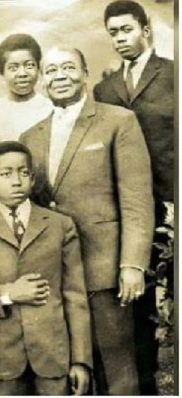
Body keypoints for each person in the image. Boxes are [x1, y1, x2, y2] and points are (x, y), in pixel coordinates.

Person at [20, 46, 155, 395]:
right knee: (70, 373)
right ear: (41, 80)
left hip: (105, 270)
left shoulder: (118, 121)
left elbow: (137, 199)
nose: (59, 76)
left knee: (118, 373)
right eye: (51, 70)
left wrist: (132, 264)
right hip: (55, 274)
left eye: (68, 68)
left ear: (85, 73)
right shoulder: (29, 137)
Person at [0, 141, 92, 396]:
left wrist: (80, 361)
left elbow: (76, 297)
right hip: (1, 359)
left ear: (32, 179)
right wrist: (8, 294)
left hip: (53, 354)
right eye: (6, 174)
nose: (16, 181)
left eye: (24, 172)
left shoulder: (60, 225)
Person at [93, 1, 174, 393]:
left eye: (126, 29)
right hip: (129, 212)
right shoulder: (104, 89)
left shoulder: (173, 75)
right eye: (113, 32)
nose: (120, 38)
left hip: (171, 204)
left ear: (146, 30)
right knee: (136, 305)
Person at [0, 33, 52, 141]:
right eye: (13, 68)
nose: (22, 73)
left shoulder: (52, 109)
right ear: (2, 72)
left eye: (29, 65)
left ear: (38, 68)